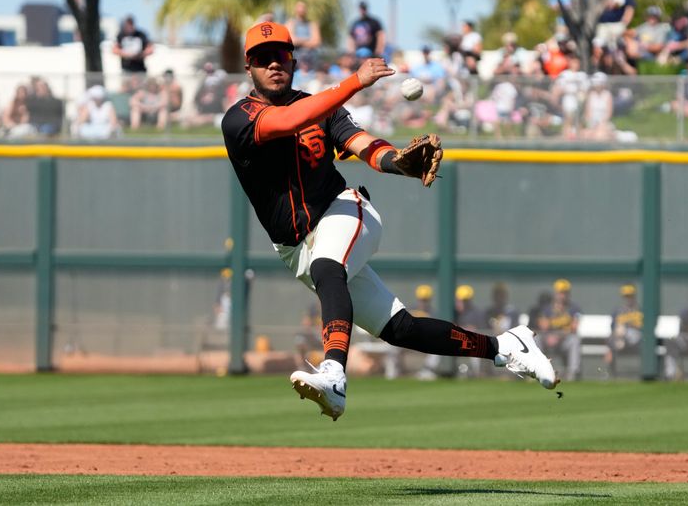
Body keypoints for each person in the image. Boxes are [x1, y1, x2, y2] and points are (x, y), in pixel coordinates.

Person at [221, 21, 558, 421]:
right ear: (249, 66)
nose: (273, 64)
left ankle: (333, 375)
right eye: (263, 58)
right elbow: (288, 122)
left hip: (344, 212)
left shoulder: (324, 109)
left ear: (293, 60)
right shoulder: (238, 119)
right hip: (295, 247)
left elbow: (365, 146)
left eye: (281, 56)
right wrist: (354, 82)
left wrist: (398, 162)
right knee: (400, 328)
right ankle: (505, 347)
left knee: (329, 267)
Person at [538, 279, 582, 381]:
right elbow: (542, 326)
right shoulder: (548, 308)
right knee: (537, 339)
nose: (562, 295)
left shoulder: (574, 308)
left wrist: (559, 335)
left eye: (565, 292)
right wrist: (556, 315)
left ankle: (573, 373)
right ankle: (537, 371)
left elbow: (574, 327)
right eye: (560, 292)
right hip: (549, 339)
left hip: (564, 340)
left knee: (574, 340)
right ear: (555, 293)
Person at [605, 283, 643, 377]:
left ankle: (619, 342)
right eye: (626, 296)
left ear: (634, 296)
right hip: (619, 339)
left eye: (630, 296)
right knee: (615, 334)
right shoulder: (617, 311)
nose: (628, 299)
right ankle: (610, 374)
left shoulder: (640, 310)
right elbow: (612, 328)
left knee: (623, 330)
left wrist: (630, 326)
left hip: (637, 339)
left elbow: (644, 328)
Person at [284, 1, 321, 66]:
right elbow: (292, 41)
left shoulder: (312, 24)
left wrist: (299, 41)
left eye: (303, 7)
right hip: (295, 60)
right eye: (299, 7)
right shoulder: (290, 23)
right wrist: (308, 40)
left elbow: (317, 42)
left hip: (311, 60)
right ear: (295, 9)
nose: (301, 9)